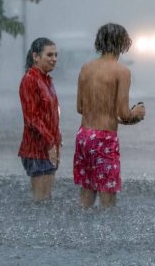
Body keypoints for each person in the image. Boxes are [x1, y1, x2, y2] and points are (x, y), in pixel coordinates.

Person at [73, 23, 146, 208]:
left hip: (83, 136)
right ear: (123, 44)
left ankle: (82, 232)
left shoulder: (86, 68)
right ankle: (107, 234)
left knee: (87, 189)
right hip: (104, 138)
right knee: (108, 193)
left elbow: (80, 107)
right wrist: (136, 113)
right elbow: (124, 113)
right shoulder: (122, 72)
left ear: (100, 42)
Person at [18, 38, 62, 201]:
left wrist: (58, 141)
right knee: (41, 201)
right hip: (35, 148)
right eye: (49, 55)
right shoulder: (30, 79)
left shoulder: (47, 79)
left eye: (56, 55)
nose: (54, 59)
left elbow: (53, 114)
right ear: (36, 56)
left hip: (49, 146)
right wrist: (50, 142)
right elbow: (31, 117)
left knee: (47, 199)